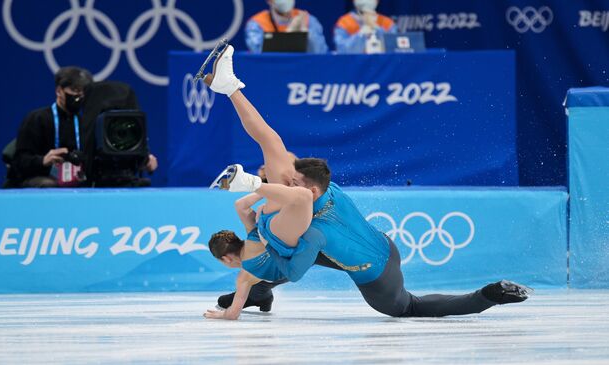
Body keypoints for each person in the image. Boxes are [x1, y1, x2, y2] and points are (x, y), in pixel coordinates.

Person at [201, 44, 532, 320]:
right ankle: (229, 86)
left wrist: (256, 206)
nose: (291, 181)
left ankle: (486, 294)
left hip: (375, 274)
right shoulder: (325, 189)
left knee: (406, 307)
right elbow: (275, 152)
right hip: (382, 246)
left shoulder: (308, 223)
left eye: (296, 182)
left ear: (310, 187)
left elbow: (295, 269)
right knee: (273, 143)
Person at [11, 66, 94, 187]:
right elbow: (19, 162)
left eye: (83, 92)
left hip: (77, 179)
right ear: (59, 91)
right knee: (49, 185)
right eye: (75, 90)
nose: (79, 96)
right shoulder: (37, 119)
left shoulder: (86, 123)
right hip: (41, 179)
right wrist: (43, 161)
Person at [245, 0, 328, 54]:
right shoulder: (256, 24)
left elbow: (321, 52)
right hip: (270, 71)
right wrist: (290, 32)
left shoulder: (308, 19)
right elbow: (258, 54)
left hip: (304, 70)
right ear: (269, 1)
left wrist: (305, 32)